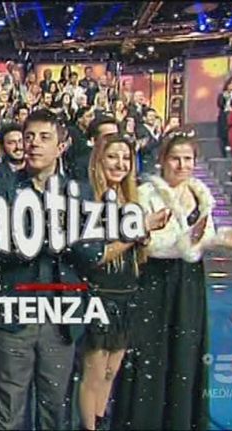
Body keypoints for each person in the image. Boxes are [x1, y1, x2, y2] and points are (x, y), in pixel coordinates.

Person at [111, 133, 232, 431]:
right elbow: (148, 244)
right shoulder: (145, 194)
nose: (182, 165)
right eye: (175, 158)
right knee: (150, 352)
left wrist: (226, 241)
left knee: (185, 351)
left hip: (189, 283)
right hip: (153, 281)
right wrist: (187, 242)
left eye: (188, 159)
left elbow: (204, 239)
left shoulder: (201, 195)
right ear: (162, 160)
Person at [67, 135, 170, 431]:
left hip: (127, 294)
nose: (120, 164)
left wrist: (145, 237)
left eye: (126, 158)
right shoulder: (87, 200)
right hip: (99, 295)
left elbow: (138, 254)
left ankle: (100, 422)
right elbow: (95, 256)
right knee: (94, 373)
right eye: (113, 156)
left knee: (111, 372)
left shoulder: (130, 201)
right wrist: (138, 229)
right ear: (99, 159)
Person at [0, 109, 75, 430]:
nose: (34, 143)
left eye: (44, 137)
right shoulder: (3, 189)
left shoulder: (76, 192)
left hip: (60, 319)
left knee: (55, 410)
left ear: (61, 146)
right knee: (8, 411)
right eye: (29, 137)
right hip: (14, 316)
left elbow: (86, 252)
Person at [64, 106, 96, 181]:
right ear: (79, 119)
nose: (92, 119)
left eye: (93, 116)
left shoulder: (93, 133)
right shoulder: (71, 132)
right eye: (89, 116)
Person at [136, 108, 162, 175]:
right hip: (146, 164)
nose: (153, 118)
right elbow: (145, 147)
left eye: (154, 116)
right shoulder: (141, 130)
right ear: (144, 118)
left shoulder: (155, 131)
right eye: (150, 116)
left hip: (156, 164)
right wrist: (156, 136)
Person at [217, 77, 232, 157]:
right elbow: (220, 105)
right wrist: (227, 99)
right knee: (223, 134)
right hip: (224, 116)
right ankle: (224, 152)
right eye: (230, 83)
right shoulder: (222, 95)